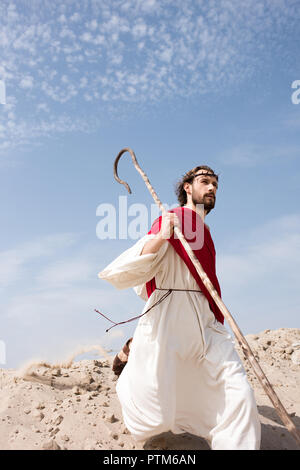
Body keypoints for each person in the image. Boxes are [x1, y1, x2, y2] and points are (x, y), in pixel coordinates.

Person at [98, 165, 261, 450]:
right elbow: (134, 264)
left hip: (205, 319)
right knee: (153, 407)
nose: (211, 188)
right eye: (204, 182)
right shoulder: (173, 218)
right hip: (170, 314)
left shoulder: (204, 230)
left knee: (239, 392)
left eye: (214, 185)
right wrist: (163, 235)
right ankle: (129, 358)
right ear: (188, 187)